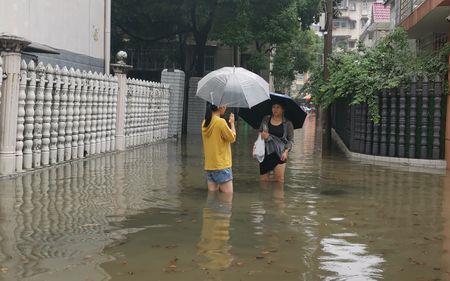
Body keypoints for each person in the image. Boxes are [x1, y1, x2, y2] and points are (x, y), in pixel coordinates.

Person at [201, 103, 236, 193]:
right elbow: (232, 138)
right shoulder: (221, 122)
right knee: (227, 198)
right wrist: (232, 123)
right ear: (220, 107)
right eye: (225, 105)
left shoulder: (205, 122)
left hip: (210, 166)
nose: (226, 107)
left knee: (212, 198)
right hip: (221, 165)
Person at [259, 102, 294, 183]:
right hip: (266, 152)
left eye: (278, 107)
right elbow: (260, 132)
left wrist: (286, 152)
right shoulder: (266, 119)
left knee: (279, 180)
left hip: (280, 153)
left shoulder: (288, 123)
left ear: (283, 110)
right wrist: (262, 135)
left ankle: (278, 196)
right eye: (273, 107)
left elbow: (291, 140)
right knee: (264, 181)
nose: (275, 109)